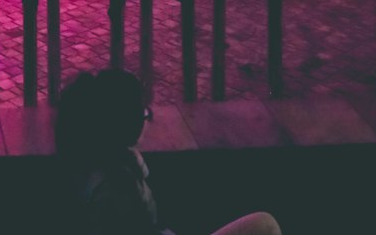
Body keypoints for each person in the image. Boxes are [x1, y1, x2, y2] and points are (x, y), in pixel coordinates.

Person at [55, 69, 280, 235]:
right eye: (143, 113)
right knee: (265, 226)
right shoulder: (119, 185)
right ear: (129, 124)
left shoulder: (98, 165)